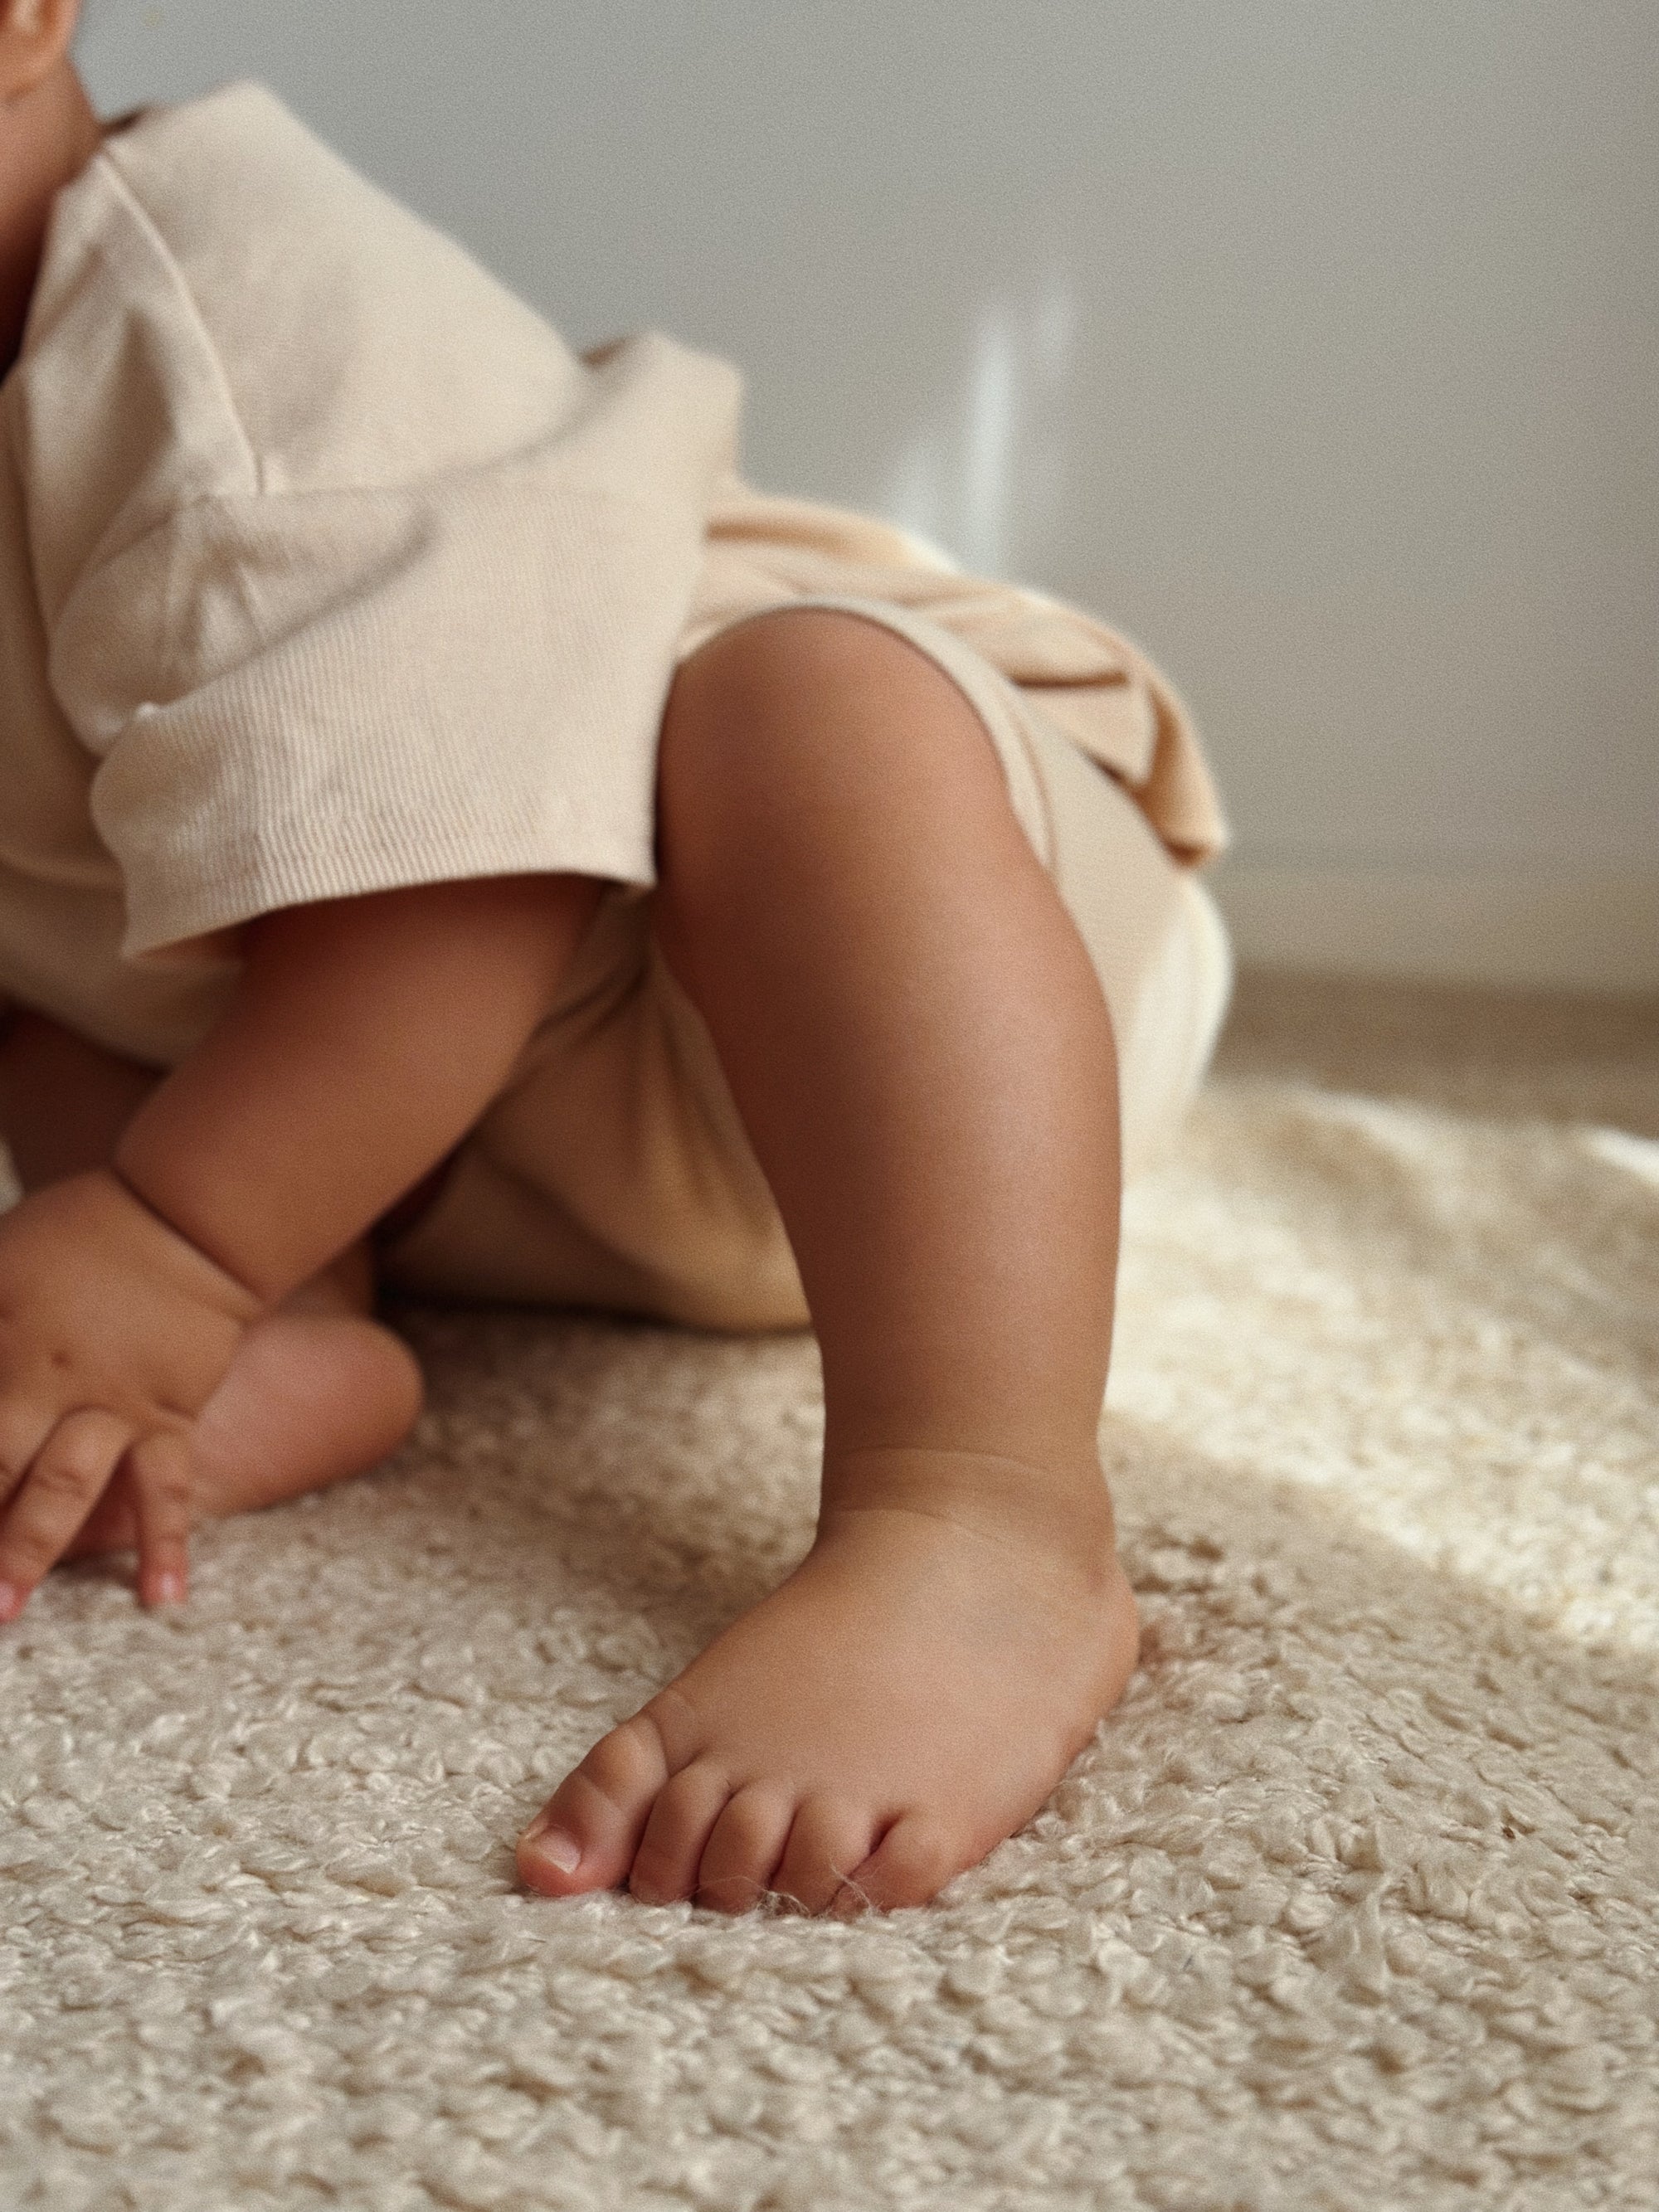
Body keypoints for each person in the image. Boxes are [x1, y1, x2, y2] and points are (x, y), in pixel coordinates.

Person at [0, 0, 1232, 1914]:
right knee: (45, 927)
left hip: (846, 997)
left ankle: (979, 1514)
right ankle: (293, 1324)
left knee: (804, 701)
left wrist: (166, 1237)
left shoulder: (242, 316)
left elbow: (458, 875)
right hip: (439, 1136)